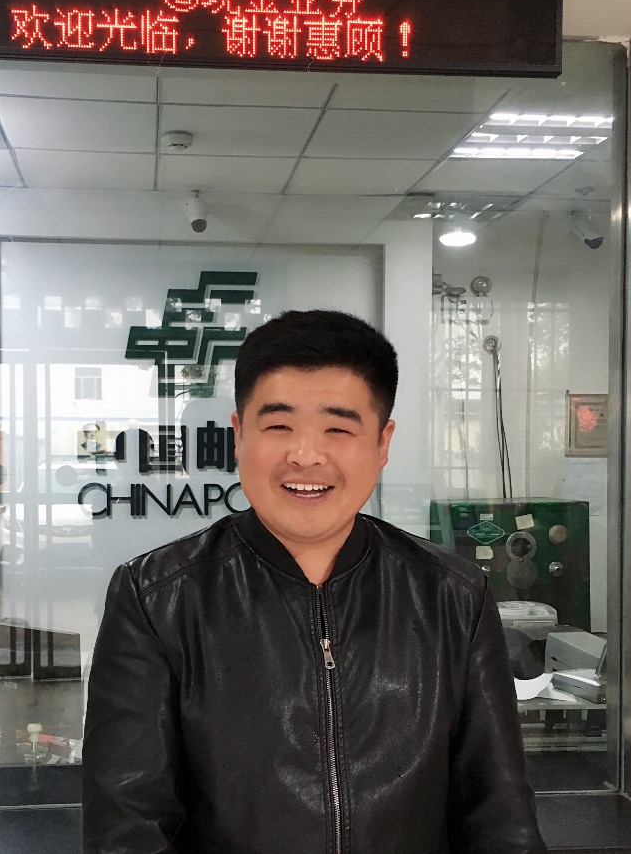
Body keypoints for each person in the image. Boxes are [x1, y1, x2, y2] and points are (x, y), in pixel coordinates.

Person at [83, 309, 546, 854]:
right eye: (278, 426)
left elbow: (500, 819)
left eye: (338, 429)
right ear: (239, 434)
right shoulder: (157, 599)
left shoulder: (452, 595)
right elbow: (128, 830)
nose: (305, 455)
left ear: (382, 443)